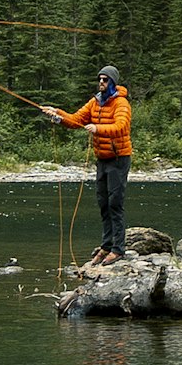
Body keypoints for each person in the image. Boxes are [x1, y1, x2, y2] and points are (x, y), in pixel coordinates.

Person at [48, 65, 135, 263]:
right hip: (102, 159)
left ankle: (118, 249)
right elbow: (76, 119)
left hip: (119, 158)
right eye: (100, 79)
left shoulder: (121, 103)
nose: (101, 83)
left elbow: (121, 126)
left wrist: (97, 128)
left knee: (115, 203)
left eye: (105, 80)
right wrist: (58, 115)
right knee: (103, 203)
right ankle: (106, 246)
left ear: (113, 82)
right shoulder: (95, 102)